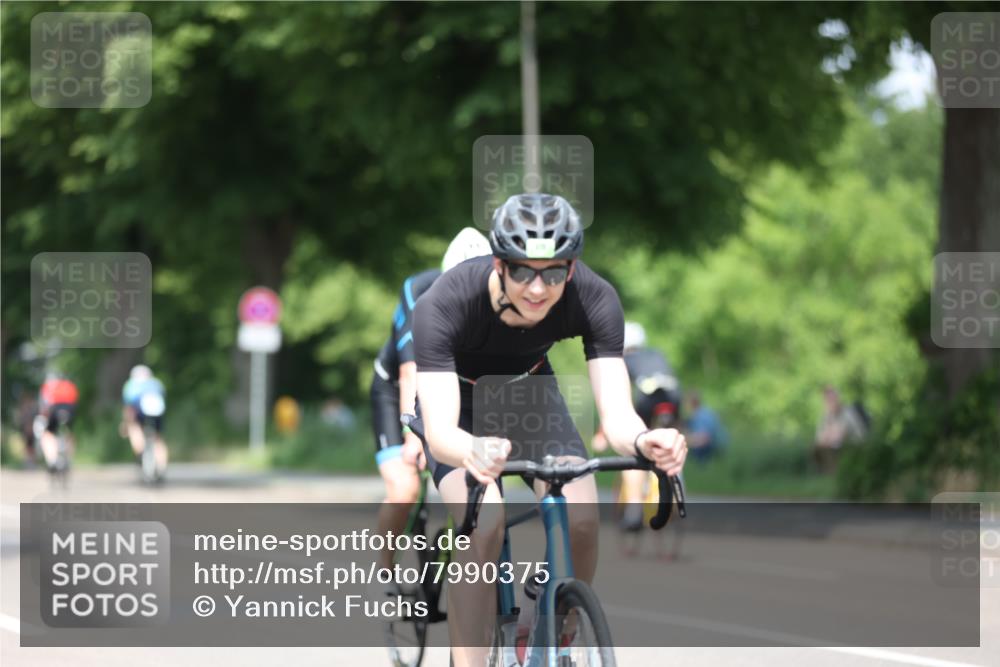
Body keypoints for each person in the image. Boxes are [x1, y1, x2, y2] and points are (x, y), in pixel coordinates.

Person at [410, 194, 687, 667]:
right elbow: (440, 433)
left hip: (529, 394)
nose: (538, 289)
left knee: (581, 515)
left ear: (572, 269)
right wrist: (473, 451)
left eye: (554, 272)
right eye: (522, 271)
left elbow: (618, 416)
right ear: (498, 264)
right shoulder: (445, 302)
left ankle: (558, 627)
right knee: (485, 524)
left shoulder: (595, 298)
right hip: (458, 410)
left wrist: (645, 441)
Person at [369, 227, 493, 572]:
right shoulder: (420, 292)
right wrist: (413, 435)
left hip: (451, 388)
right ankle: (384, 569)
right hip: (397, 392)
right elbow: (411, 370)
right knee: (405, 489)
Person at [592, 321, 683, 535]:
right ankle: (677, 486)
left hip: (648, 400)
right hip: (673, 399)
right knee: (671, 440)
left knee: (634, 447)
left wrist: (602, 433)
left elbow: (617, 404)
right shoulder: (656, 354)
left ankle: (634, 508)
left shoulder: (623, 360)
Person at [121, 364, 168, 477]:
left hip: (140, 410)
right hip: (158, 410)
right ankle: (162, 467)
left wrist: (125, 424)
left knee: (134, 427)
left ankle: (141, 452)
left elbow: (129, 408)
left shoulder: (131, 385)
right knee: (157, 438)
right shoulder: (156, 383)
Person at [814, 385, 866, 473]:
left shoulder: (848, 413)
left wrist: (828, 437)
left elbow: (840, 436)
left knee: (831, 447)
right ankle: (828, 472)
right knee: (816, 449)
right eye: (827, 400)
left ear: (837, 398)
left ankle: (836, 472)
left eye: (832, 399)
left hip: (855, 445)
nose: (830, 402)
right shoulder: (827, 416)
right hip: (839, 446)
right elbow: (819, 439)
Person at [36, 372, 79, 472]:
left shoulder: (48, 386)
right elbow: (75, 403)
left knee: (48, 434)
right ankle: (68, 458)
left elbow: (44, 407)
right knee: (70, 434)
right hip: (69, 411)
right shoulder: (70, 386)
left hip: (54, 410)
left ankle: (52, 460)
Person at [686, 390, 725, 463]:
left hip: (714, 447)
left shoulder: (701, 416)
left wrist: (686, 441)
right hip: (716, 444)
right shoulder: (702, 412)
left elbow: (705, 438)